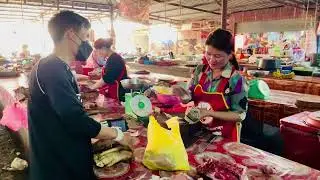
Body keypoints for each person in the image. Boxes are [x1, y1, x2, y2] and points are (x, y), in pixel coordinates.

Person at [28, 11, 133, 180]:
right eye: (84, 36)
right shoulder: (52, 69)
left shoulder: (58, 66)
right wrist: (116, 133)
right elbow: (74, 118)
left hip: (63, 154)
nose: (87, 44)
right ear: (70, 34)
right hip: (58, 165)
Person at [174, 29, 248, 142]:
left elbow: (239, 115)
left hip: (225, 136)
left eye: (218, 56)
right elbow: (190, 96)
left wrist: (209, 113)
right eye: (208, 54)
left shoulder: (236, 80)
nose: (212, 60)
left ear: (230, 56)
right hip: (200, 133)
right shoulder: (200, 71)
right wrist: (183, 96)